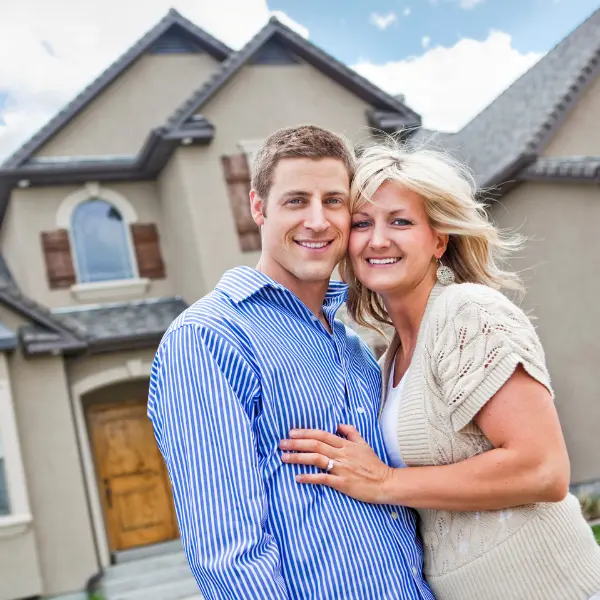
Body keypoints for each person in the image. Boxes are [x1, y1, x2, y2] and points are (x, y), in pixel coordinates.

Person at [279, 141, 600, 600]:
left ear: (439, 240)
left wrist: (385, 482)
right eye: (363, 223)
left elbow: (544, 470)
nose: (377, 239)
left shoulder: (468, 314)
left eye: (401, 221)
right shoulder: (390, 357)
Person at [147, 126, 434, 600]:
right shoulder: (208, 338)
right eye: (296, 200)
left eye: (334, 201)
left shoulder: (352, 344)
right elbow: (228, 554)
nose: (318, 221)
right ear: (258, 208)